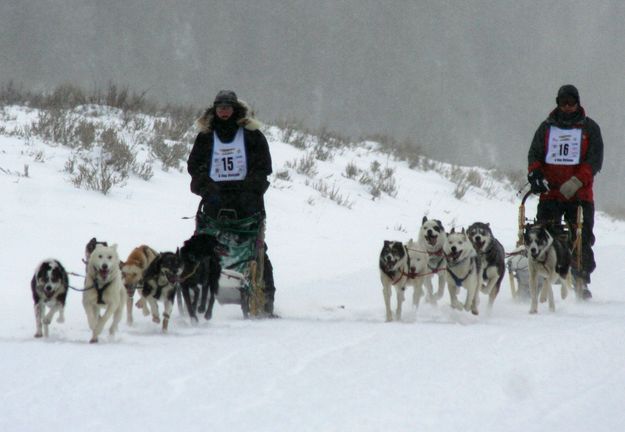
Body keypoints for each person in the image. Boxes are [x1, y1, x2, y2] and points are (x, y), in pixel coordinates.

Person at [187, 90, 277, 316]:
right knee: (202, 247)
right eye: (220, 108)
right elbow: (194, 166)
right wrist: (206, 187)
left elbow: (263, 166)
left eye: (228, 107)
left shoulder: (251, 134)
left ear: (235, 109)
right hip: (215, 199)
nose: (224, 111)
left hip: (247, 201)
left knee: (256, 251)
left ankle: (265, 302)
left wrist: (250, 189)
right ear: (214, 110)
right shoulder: (206, 136)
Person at [527, 84, 603, 299]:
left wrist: (578, 180)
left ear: (578, 103)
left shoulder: (589, 129)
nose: (568, 107)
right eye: (563, 103)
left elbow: (595, 160)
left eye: (571, 103)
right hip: (550, 193)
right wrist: (535, 174)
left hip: (579, 195)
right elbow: (534, 155)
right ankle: (534, 277)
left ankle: (580, 279)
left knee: (581, 236)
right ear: (558, 103)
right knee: (541, 234)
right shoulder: (546, 128)